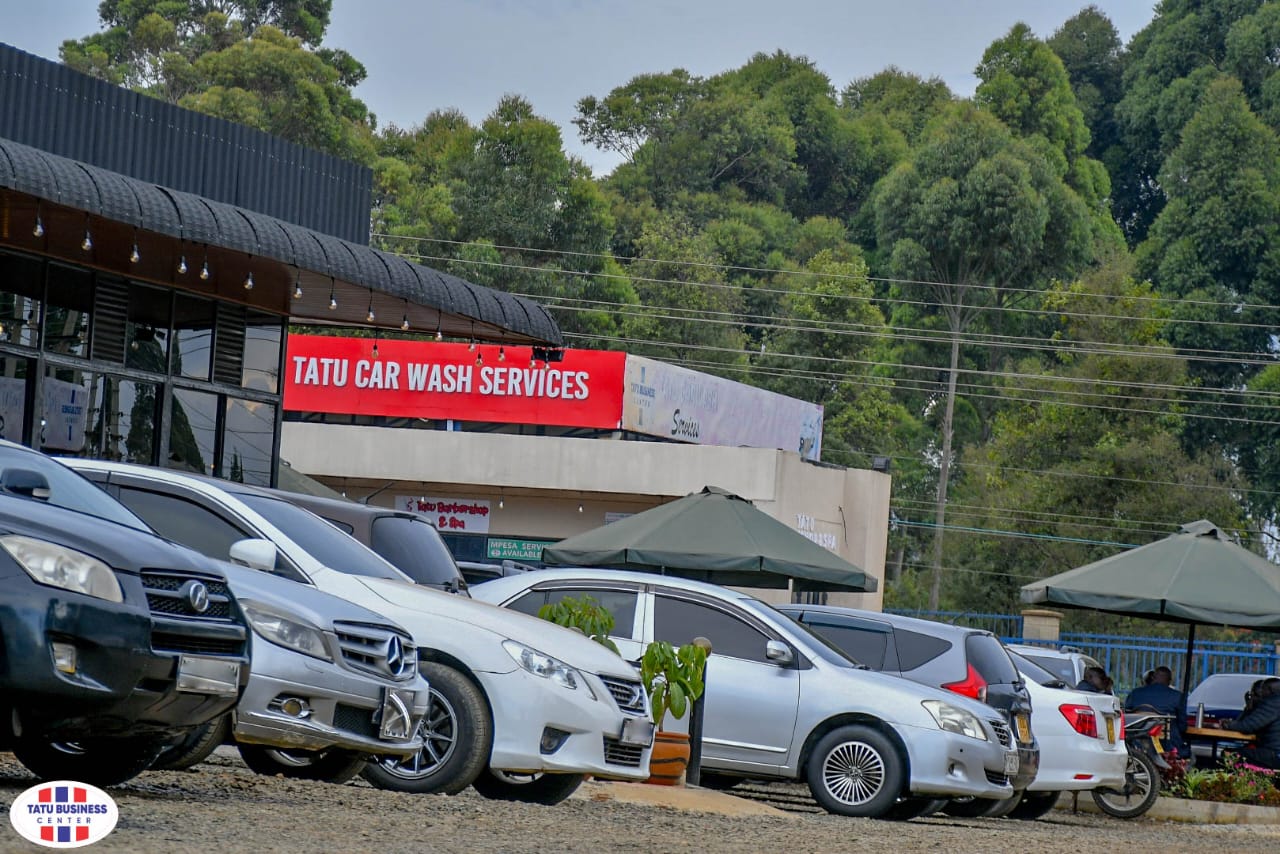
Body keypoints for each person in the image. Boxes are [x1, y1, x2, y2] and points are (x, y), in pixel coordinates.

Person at [1125, 665, 1186, 754]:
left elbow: (1127, 716)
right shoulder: (1177, 696)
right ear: (1169, 681)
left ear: (1153, 677)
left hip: (1137, 742)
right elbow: (1182, 726)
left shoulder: (1136, 693)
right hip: (1166, 745)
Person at [1221, 677, 1280, 770]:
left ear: (1269, 690)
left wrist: (1228, 725)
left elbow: (1247, 726)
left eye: (1262, 690)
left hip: (1275, 754)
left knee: (1230, 755)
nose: (1261, 693)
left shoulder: (1272, 703)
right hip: (1274, 753)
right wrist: (1249, 707)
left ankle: (1239, 783)